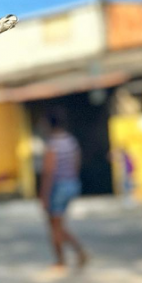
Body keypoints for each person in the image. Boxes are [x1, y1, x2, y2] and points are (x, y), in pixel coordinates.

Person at [40, 110, 88, 269]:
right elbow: (77, 163)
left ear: (49, 124)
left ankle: (64, 258)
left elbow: (48, 172)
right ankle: (75, 253)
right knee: (58, 224)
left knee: (54, 226)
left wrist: (44, 195)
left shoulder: (52, 144)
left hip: (57, 187)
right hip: (71, 184)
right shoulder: (71, 141)